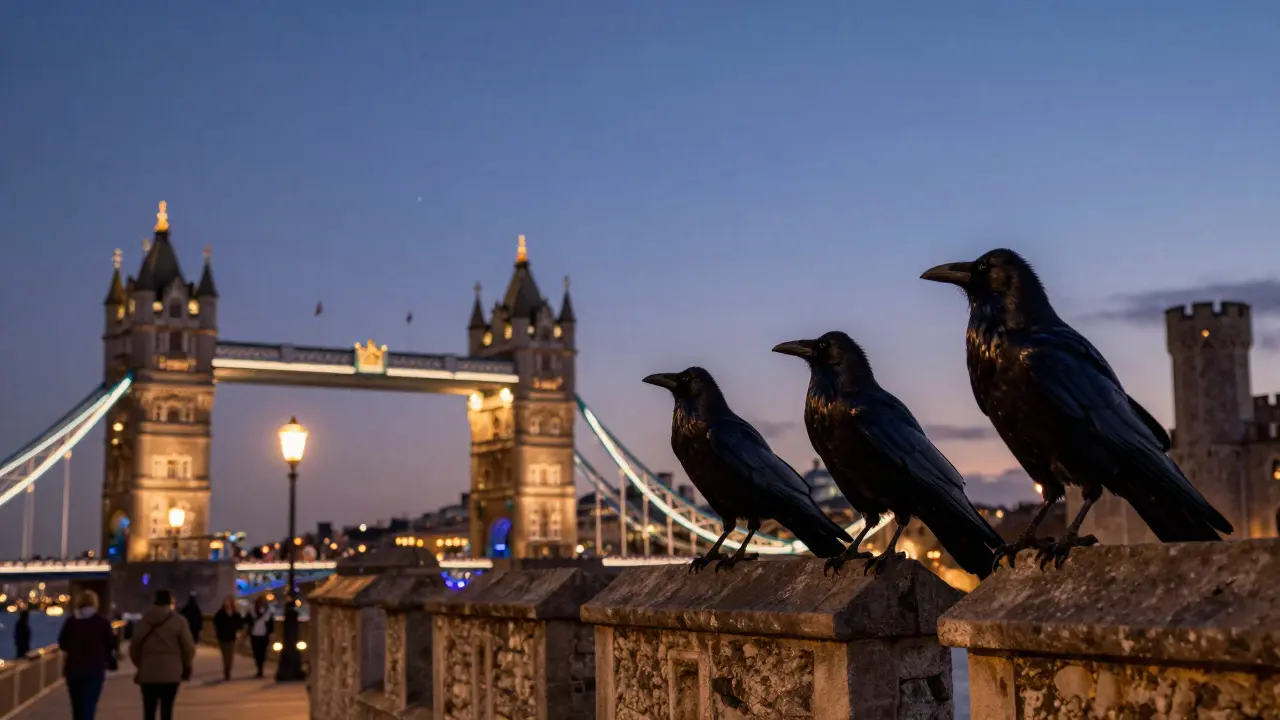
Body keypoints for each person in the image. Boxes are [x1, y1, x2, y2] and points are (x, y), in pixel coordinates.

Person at [129, 590, 194, 720]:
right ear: (170, 601)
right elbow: (188, 648)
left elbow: (134, 647)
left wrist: (141, 664)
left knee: (149, 710)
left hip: (148, 672)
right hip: (171, 672)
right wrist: (185, 665)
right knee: (167, 709)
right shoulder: (179, 621)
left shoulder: (144, 621)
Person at [57, 590, 118, 720]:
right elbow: (111, 643)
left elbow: (63, 643)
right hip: (94, 669)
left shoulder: (71, 621)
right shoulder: (101, 622)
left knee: (77, 707)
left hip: (73, 670)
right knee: (89, 706)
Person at [211, 597, 242, 681]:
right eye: (225, 602)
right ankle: (226, 670)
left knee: (230, 655)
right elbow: (216, 622)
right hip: (222, 637)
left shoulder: (235, 614)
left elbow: (239, 624)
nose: (227, 604)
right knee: (225, 655)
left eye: (228, 602)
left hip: (231, 638)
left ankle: (228, 669)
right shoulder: (220, 613)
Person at [245, 597, 274, 679]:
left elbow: (271, 624)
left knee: (263, 652)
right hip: (254, 635)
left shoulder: (268, 613)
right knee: (256, 653)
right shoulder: (252, 612)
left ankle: (260, 669)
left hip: (264, 635)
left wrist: (271, 633)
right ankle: (259, 668)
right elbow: (246, 621)